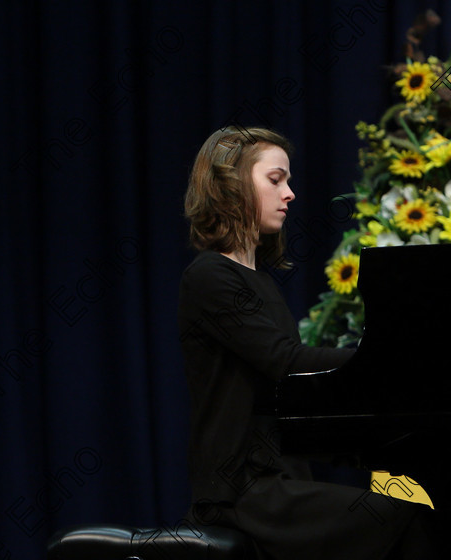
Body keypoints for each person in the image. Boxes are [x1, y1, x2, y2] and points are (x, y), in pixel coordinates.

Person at [177, 126, 437, 560]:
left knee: (411, 520)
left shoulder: (259, 281)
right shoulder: (209, 276)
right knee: (405, 520)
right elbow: (285, 360)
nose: (290, 194)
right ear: (232, 185)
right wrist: (386, 361)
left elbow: (293, 386)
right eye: (276, 180)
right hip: (241, 490)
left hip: (279, 480)